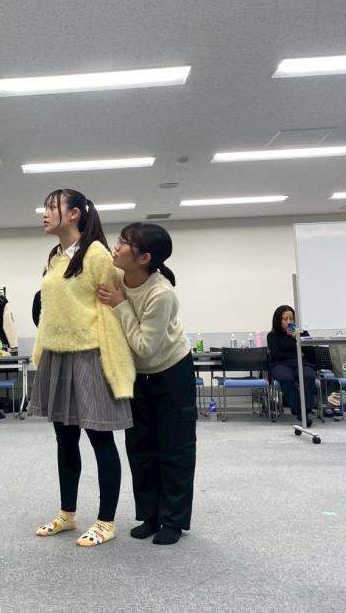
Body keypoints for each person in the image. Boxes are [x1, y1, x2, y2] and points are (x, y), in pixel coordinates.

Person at [29, 189, 135, 548]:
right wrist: (42, 349)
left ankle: (106, 522)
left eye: (52, 207)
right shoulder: (56, 256)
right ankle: (68, 514)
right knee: (65, 439)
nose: (45, 213)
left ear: (74, 213)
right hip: (57, 354)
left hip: (89, 354)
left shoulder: (97, 254)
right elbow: (50, 310)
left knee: (100, 439)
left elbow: (113, 304)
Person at [98, 223, 196, 546]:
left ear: (144, 258)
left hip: (171, 371)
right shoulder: (118, 277)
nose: (117, 246)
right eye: (120, 240)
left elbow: (145, 347)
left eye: (125, 243)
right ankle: (150, 516)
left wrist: (121, 306)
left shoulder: (161, 293)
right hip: (138, 376)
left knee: (174, 447)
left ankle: (173, 521)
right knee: (140, 447)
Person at [267, 305, 316, 427]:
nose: (289, 322)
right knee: (286, 378)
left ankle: (306, 410)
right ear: (278, 320)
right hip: (281, 364)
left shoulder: (302, 332)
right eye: (285, 319)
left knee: (308, 375)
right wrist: (294, 352)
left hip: (301, 362)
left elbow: (311, 352)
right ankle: (299, 411)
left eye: (291, 318)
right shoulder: (272, 335)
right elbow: (277, 355)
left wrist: (298, 338)